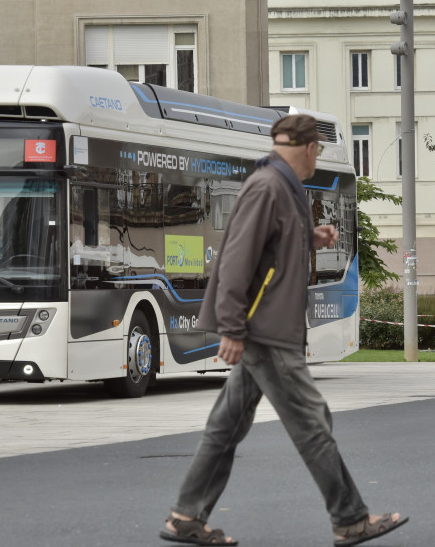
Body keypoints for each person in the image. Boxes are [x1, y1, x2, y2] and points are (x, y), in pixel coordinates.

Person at [160, 115, 407, 547]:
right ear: (310, 148)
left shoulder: (281, 185)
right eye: (318, 152)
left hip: (264, 325)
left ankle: (186, 516)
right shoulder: (269, 186)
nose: (317, 159)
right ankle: (350, 520)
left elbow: (273, 242)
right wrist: (232, 329)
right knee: (313, 421)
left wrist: (312, 236)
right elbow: (237, 259)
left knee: (227, 423)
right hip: (265, 329)